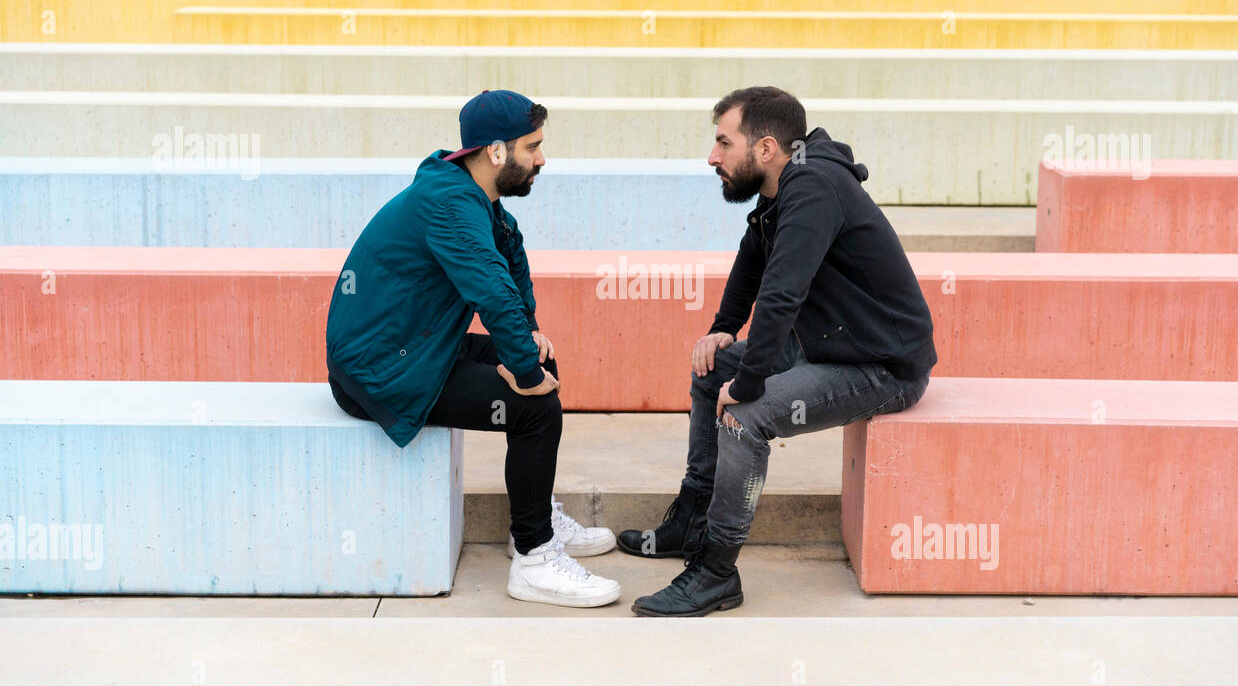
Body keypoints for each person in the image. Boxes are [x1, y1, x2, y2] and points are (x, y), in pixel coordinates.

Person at [620, 86, 938, 617]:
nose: (712, 157)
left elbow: (782, 293)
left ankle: (716, 571)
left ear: (765, 148)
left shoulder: (815, 185)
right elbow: (753, 258)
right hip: (826, 343)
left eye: (724, 142)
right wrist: (721, 330)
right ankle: (691, 522)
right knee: (711, 368)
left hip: (880, 364)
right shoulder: (784, 183)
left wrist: (747, 387)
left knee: (746, 416)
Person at [325, 89, 619, 608]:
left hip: (415, 348)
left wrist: (527, 337)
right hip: (379, 371)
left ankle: (534, 518)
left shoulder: (467, 191)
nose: (542, 159)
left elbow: (510, 251)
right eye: (532, 147)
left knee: (539, 361)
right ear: (496, 153)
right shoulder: (450, 204)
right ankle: (533, 559)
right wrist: (523, 373)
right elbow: (489, 289)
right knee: (535, 404)